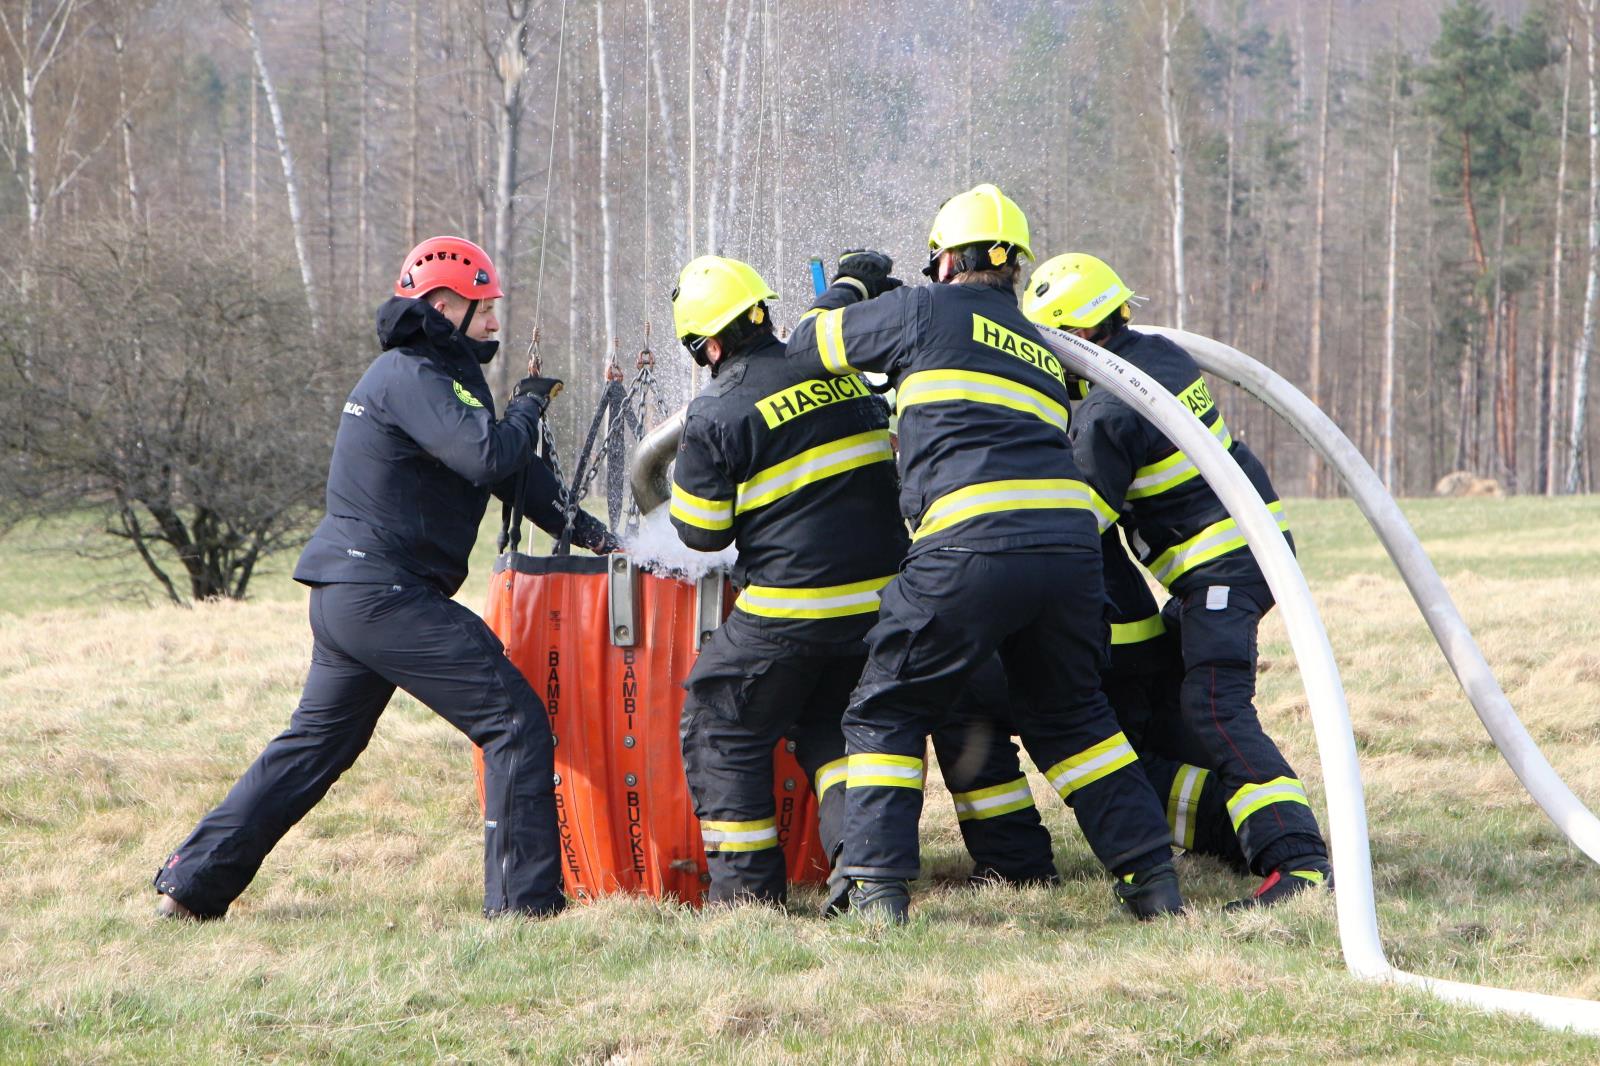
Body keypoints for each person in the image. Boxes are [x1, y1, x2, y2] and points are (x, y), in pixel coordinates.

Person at [153, 236, 618, 921]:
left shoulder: (446, 380)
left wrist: (605, 540)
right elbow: (489, 455)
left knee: (316, 746)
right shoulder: (411, 374)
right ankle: (525, 910)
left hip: (356, 595)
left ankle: (190, 889)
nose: (495, 322)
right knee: (514, 720)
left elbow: (520, 480)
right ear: (442, 304)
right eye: (484, 308)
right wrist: (526, 408)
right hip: (382, 593)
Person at [786, 185, 1182, 923]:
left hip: (968, 543)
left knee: (885, 705)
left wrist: (853, 283)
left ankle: (873, 888)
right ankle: (1153, 882)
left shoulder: (920, 311)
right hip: (1067, 552)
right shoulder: (1039, 338)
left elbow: (808, 346)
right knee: (1075, 720)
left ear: (942, 261)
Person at [1023, 251, 1331, 908]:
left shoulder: (1109, 415)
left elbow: (1081, 522)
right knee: (1175, 698)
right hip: (1247, 555)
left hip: (1223, 571)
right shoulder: (1159, 356)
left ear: (1074, 339)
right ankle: (1229, 827)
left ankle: (1297, 861)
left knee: (1214, 707)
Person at [667, 254, 908, 905]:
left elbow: (702, 533)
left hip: (792, 613)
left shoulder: (717, 411)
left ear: (708, 344)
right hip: (878, 610)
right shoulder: (846, 375)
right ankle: (862, 872)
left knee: (721, 721)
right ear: (762, 313)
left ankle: (745, 898)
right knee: (826, 724)